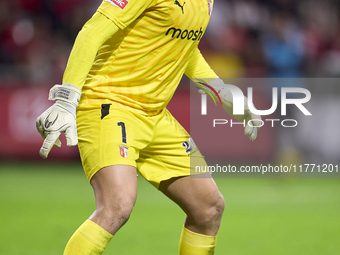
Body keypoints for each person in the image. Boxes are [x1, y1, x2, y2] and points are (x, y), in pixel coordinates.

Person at [36, 0, 261, 254]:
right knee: (117, 205)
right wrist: (67, 99)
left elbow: (183, 48)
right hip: (110, 103)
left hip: (154, 115)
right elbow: (93, 30)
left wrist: (221, 91)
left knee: (208, 207)